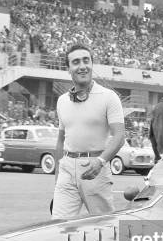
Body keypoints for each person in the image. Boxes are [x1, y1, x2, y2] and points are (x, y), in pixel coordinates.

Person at [52, 44, 125, 219]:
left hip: (96, 169)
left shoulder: (109, 97)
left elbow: (120, 136)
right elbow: (61, 140)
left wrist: (100, 161)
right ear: (68, 69)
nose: (82, 66)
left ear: (92, 64)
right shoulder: (62, 101)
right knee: (58, 225)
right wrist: (57, 178)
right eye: (76, 62)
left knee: (103, 227)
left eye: (86, 60)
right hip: (67, 169)